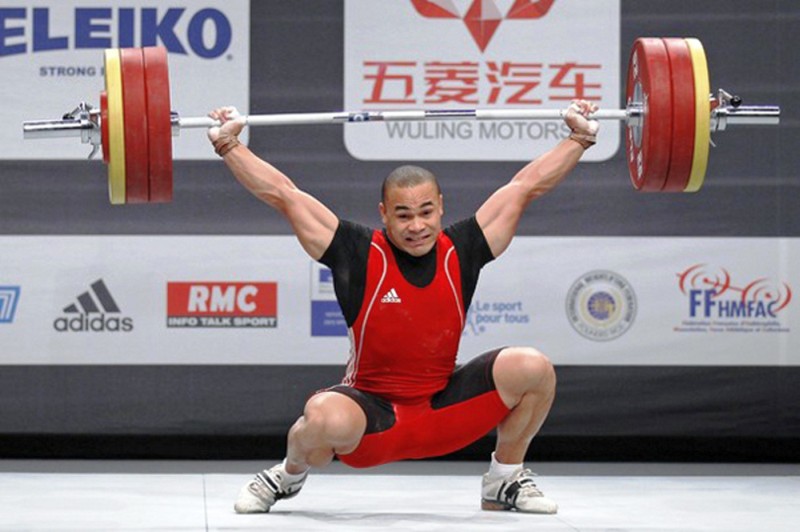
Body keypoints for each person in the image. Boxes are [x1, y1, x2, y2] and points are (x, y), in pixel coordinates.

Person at [207, 100, 599, 515]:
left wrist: (579, 138)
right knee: (322, 417)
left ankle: (504, 479)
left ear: (441, 206)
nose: (417, 226)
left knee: (533, 368)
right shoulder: (357, 252)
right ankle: (288, 475)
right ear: (384, 215)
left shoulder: (462, 249)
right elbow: (284, 194)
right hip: (371, 421)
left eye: (426, 212)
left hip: (444, 411)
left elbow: (525, 186)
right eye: (404, 215)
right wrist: (229, 145)